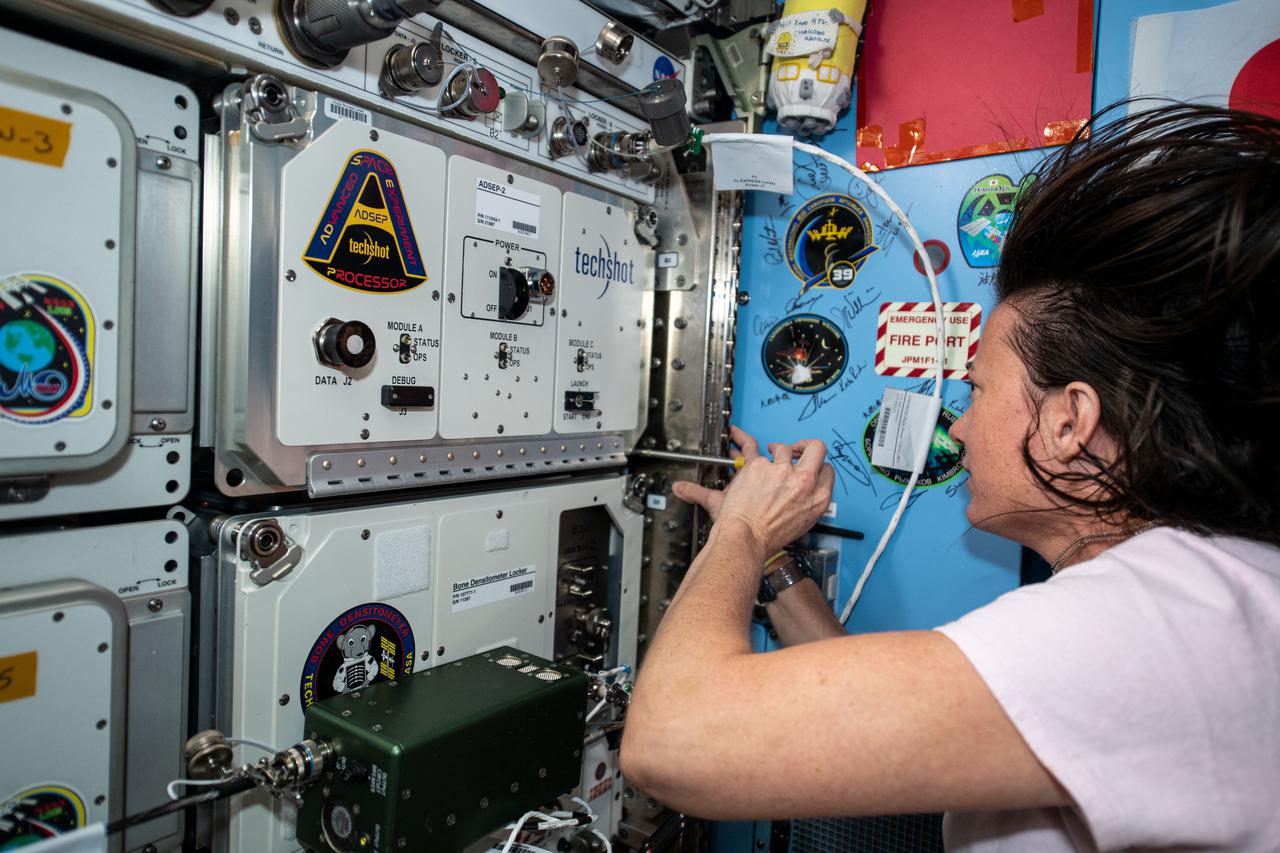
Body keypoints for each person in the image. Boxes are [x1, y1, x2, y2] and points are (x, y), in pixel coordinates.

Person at [619, 103, 1280, 852]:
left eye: (978, 391)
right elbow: (863, 701)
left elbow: (671, 737)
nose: (957, 424)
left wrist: (742, 526)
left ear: (1069, 423)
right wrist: (768, 554)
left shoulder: (1144, 631)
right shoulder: (1200, 599)